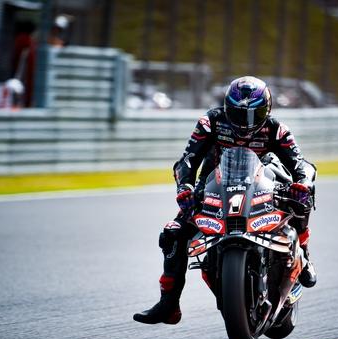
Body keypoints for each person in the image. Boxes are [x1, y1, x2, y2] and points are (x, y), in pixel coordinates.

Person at [133, 76, 317, 325]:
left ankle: (304, 254)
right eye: (239, 114)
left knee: (299, 199)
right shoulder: (211, 122)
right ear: (227, 107)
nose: (245, 123)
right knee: (173, 233)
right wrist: (185, 187)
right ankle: (169, 304)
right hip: (214, 187)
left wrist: (302, 185)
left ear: (267, 109)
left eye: (254, 114)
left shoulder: (277, 129)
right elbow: (187, 160)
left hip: (262, 186)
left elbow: (301, 164)